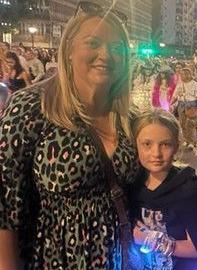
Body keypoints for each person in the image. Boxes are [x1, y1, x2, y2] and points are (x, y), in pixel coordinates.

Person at [0, 2, 137, 269]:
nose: (106, 55)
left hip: (119, 259)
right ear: (69, 50)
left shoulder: (129, 117)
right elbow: (5, 206)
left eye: (117, 48)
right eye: (93, 43)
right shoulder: (29, 107)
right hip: (55, 259)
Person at [129, 109, 197, 270]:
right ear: (135, 144)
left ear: (176, 147)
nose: (156, 153)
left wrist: (146, 238)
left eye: (165, 144)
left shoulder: (188, 189)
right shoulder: (131, 184)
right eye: (147, 144)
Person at [171, 68, 197, 148]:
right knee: (182, 123)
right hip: (181, 105)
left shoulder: (194, 84)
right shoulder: (179, 84)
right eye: (181, 74)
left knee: (190, 124)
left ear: (189, 75)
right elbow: (175, 96)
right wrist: (170, 104)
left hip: (191, 105)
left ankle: (192, 142)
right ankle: (186, 139)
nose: (182, 76)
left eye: (184, 74)